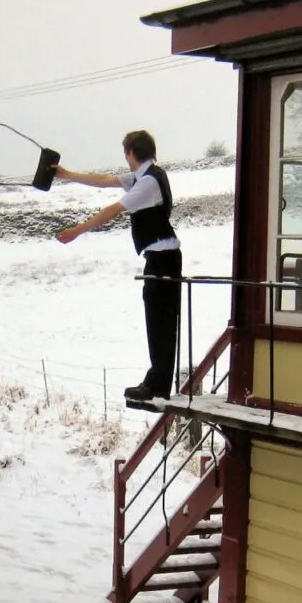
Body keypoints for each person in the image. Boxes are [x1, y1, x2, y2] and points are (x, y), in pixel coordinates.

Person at [53, 130, 182, 402]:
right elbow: (103, 180)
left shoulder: (147, 183)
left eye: (125, 153)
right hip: (160, 258)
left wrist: (78, 230)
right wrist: (66, 174)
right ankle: (156, 380)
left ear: (131, 153)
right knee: (158, 322)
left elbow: (112, 209)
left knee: (160, 323)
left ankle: (158, 385)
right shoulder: (144, 177)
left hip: (163, 259)